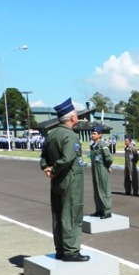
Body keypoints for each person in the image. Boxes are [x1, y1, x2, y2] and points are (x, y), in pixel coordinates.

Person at [39, 98, 89, 262]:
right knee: (72, 214)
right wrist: (54, 168)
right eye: (76, 115)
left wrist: (47, 168)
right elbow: (68, 158)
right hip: (71, 181)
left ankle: (60, 249)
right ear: (72, 117)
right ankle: (71, 251)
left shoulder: (51, 134)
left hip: (56, 182)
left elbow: (43, 157)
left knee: (58, 214)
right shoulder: (70, 136)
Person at [88, 126, 113, 219]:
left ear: (100, 135)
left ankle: (107, 211)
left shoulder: (102, 145)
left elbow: (109, 158)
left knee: (104, 189)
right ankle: (99, 210)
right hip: (95, 170)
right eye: (92, 133)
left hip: (102, 170)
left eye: (94, 133)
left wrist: (107, 166)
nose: (92, 135)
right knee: (97, 190)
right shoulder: (93, 146)